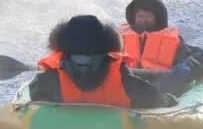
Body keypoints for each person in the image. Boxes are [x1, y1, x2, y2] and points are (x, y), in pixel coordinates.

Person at [29, 15, 175, 108]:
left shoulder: (51, 77)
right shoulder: (122, 76)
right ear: (107, 41)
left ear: (62, 41)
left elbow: (35, 96)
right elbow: (152, 98)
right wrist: (169, 100)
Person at [119, 0, 203, 96]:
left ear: (157, 18)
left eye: (147, 16)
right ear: (133, 17)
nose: (143, 20)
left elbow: (198, 56)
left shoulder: (172, 39)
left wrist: (183, 69)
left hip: (159, 86)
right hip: (126, 81)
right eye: (139, 16)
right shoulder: (119, 36)